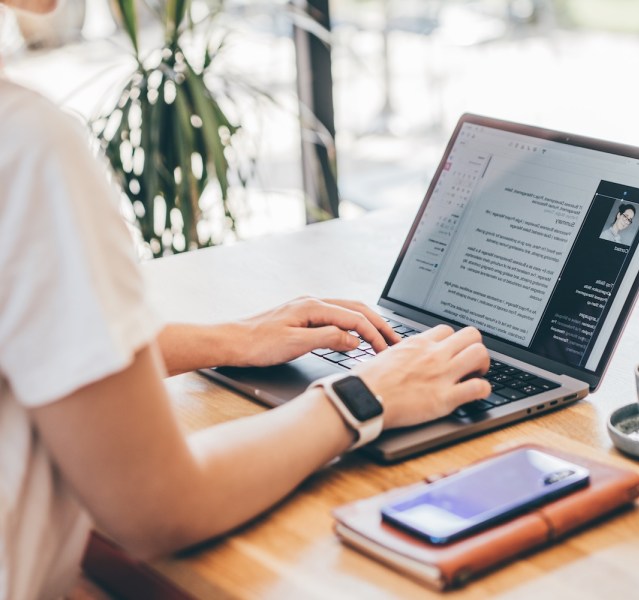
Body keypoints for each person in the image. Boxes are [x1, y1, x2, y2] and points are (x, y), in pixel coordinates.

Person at [0, 2, 491, 597]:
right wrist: (365, 395)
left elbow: (33, 335)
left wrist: (229, 339)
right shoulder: (25, 144)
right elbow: (158, 506)